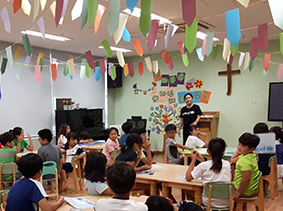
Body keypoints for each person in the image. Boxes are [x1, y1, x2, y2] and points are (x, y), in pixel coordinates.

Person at [186, 138, 231, 208]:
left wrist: (193, 161)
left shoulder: (203, 166)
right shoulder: (227, 164)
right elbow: (212, 168)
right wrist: (202, 161)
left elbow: (188, 177)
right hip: (226, 202)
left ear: (207, 151)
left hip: (209, 202)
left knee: (188, 191)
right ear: (223, 151)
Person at [230, 133, 260, 200]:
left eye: (242, 146)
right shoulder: (251, 156)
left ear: (251, 149)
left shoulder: (244, 161)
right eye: (239, 144)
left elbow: (246, 179)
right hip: (251, 188)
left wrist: (238, 192)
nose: (239, 147)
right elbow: (232, 160)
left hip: (245, 191)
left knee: (221, 190)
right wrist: (240, 150)